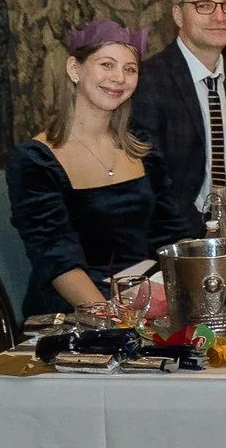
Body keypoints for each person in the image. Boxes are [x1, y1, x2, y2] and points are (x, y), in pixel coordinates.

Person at [10, 22, 178, 317]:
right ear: (75, 69)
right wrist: (113, 318)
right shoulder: (35, 159)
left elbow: (171, 232)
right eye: (107, 64)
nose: (119, 78)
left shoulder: (141, 144)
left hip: (149, 293)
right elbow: (57, 261)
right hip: (77, 309)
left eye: (130, 69)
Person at [130, 0, 226, 238]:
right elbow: (153, 182)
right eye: (204, 5)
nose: (219, 17)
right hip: (172, 240)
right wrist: (203, 235)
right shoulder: (150, 81)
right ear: (178, 15)